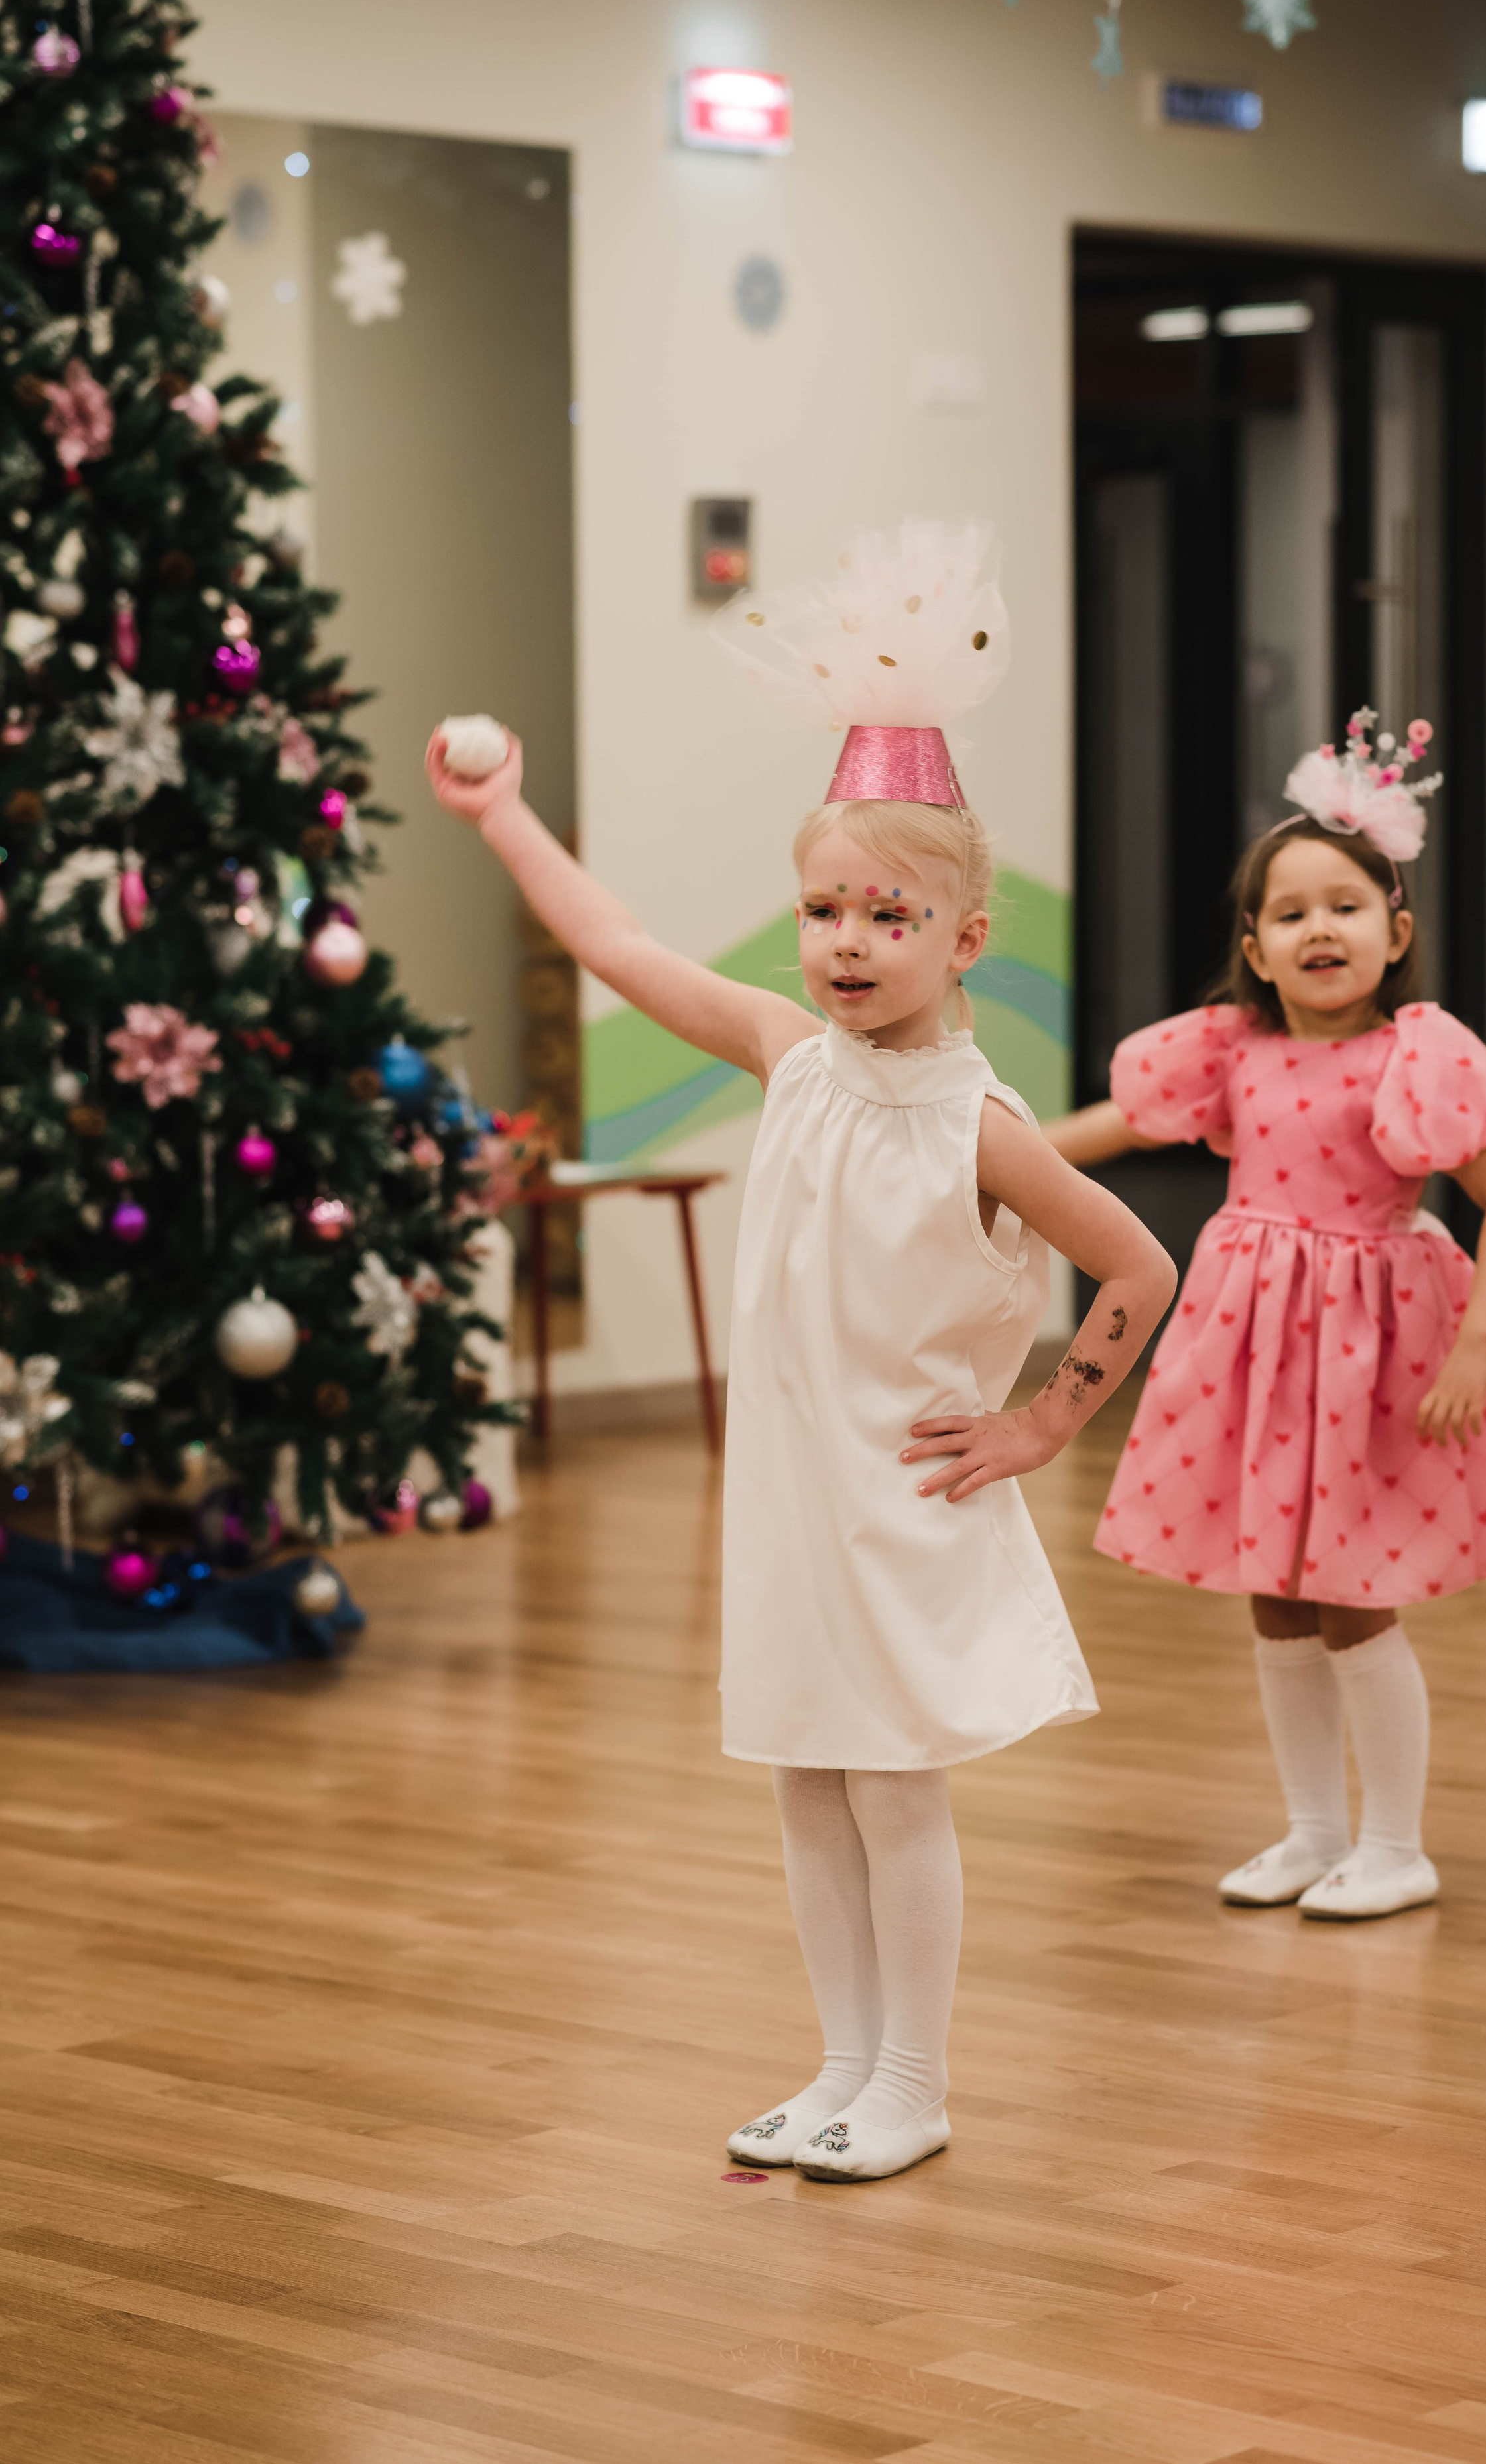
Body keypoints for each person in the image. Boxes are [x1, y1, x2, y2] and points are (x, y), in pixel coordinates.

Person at [427, 522, 1174, 2178]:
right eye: (820, 908)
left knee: (895, 1789)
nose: (843, 941)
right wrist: (499, 817)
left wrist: (1044, 1423)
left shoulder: (980, 1124)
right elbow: (614, 948)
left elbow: (1137, 1260)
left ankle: (914, 2077)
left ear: (962, 938)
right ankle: (838, 2065)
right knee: (803, 1780)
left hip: (901, 1494)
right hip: (784, 1494)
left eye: (885, 914)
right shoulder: (790, 1054)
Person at [1048, 711, 1486, 1922]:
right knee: (1274, 1591)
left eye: (1343, 904)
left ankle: (1396, 1843)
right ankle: (1312, 1831)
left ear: (1397, 931)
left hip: (1371, 1354)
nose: (1318, 927)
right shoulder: (1232, 1050)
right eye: (1290, 913)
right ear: (1257, 948)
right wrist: (983, 1155)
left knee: (1352, 1590)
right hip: (1255, 1350)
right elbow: (1111, 1133)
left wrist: (1480, 1340)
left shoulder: (1418, 1056)